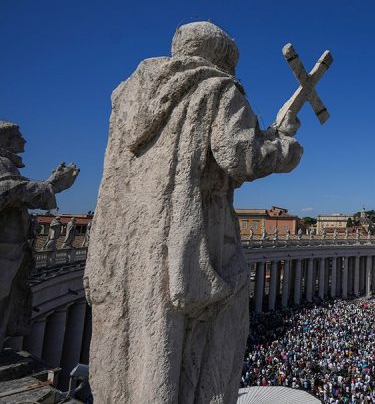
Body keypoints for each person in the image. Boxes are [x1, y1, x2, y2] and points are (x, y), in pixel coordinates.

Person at [84, 22, 303, 404]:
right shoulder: (217, 87)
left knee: (137, 336)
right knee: (198, 339)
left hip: (126, 241)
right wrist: (285, 145)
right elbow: (242, 157)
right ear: (223, 56)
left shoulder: (128, 96)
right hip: (188, 239)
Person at [0, 121, 78, 344]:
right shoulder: (2, 163)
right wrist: (51, 186)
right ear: (4, 140)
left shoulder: (7, 164)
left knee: (5, 302)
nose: (24, 140)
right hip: (4, 251)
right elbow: (7, 191)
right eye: (18, 136)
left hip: (10, 250)